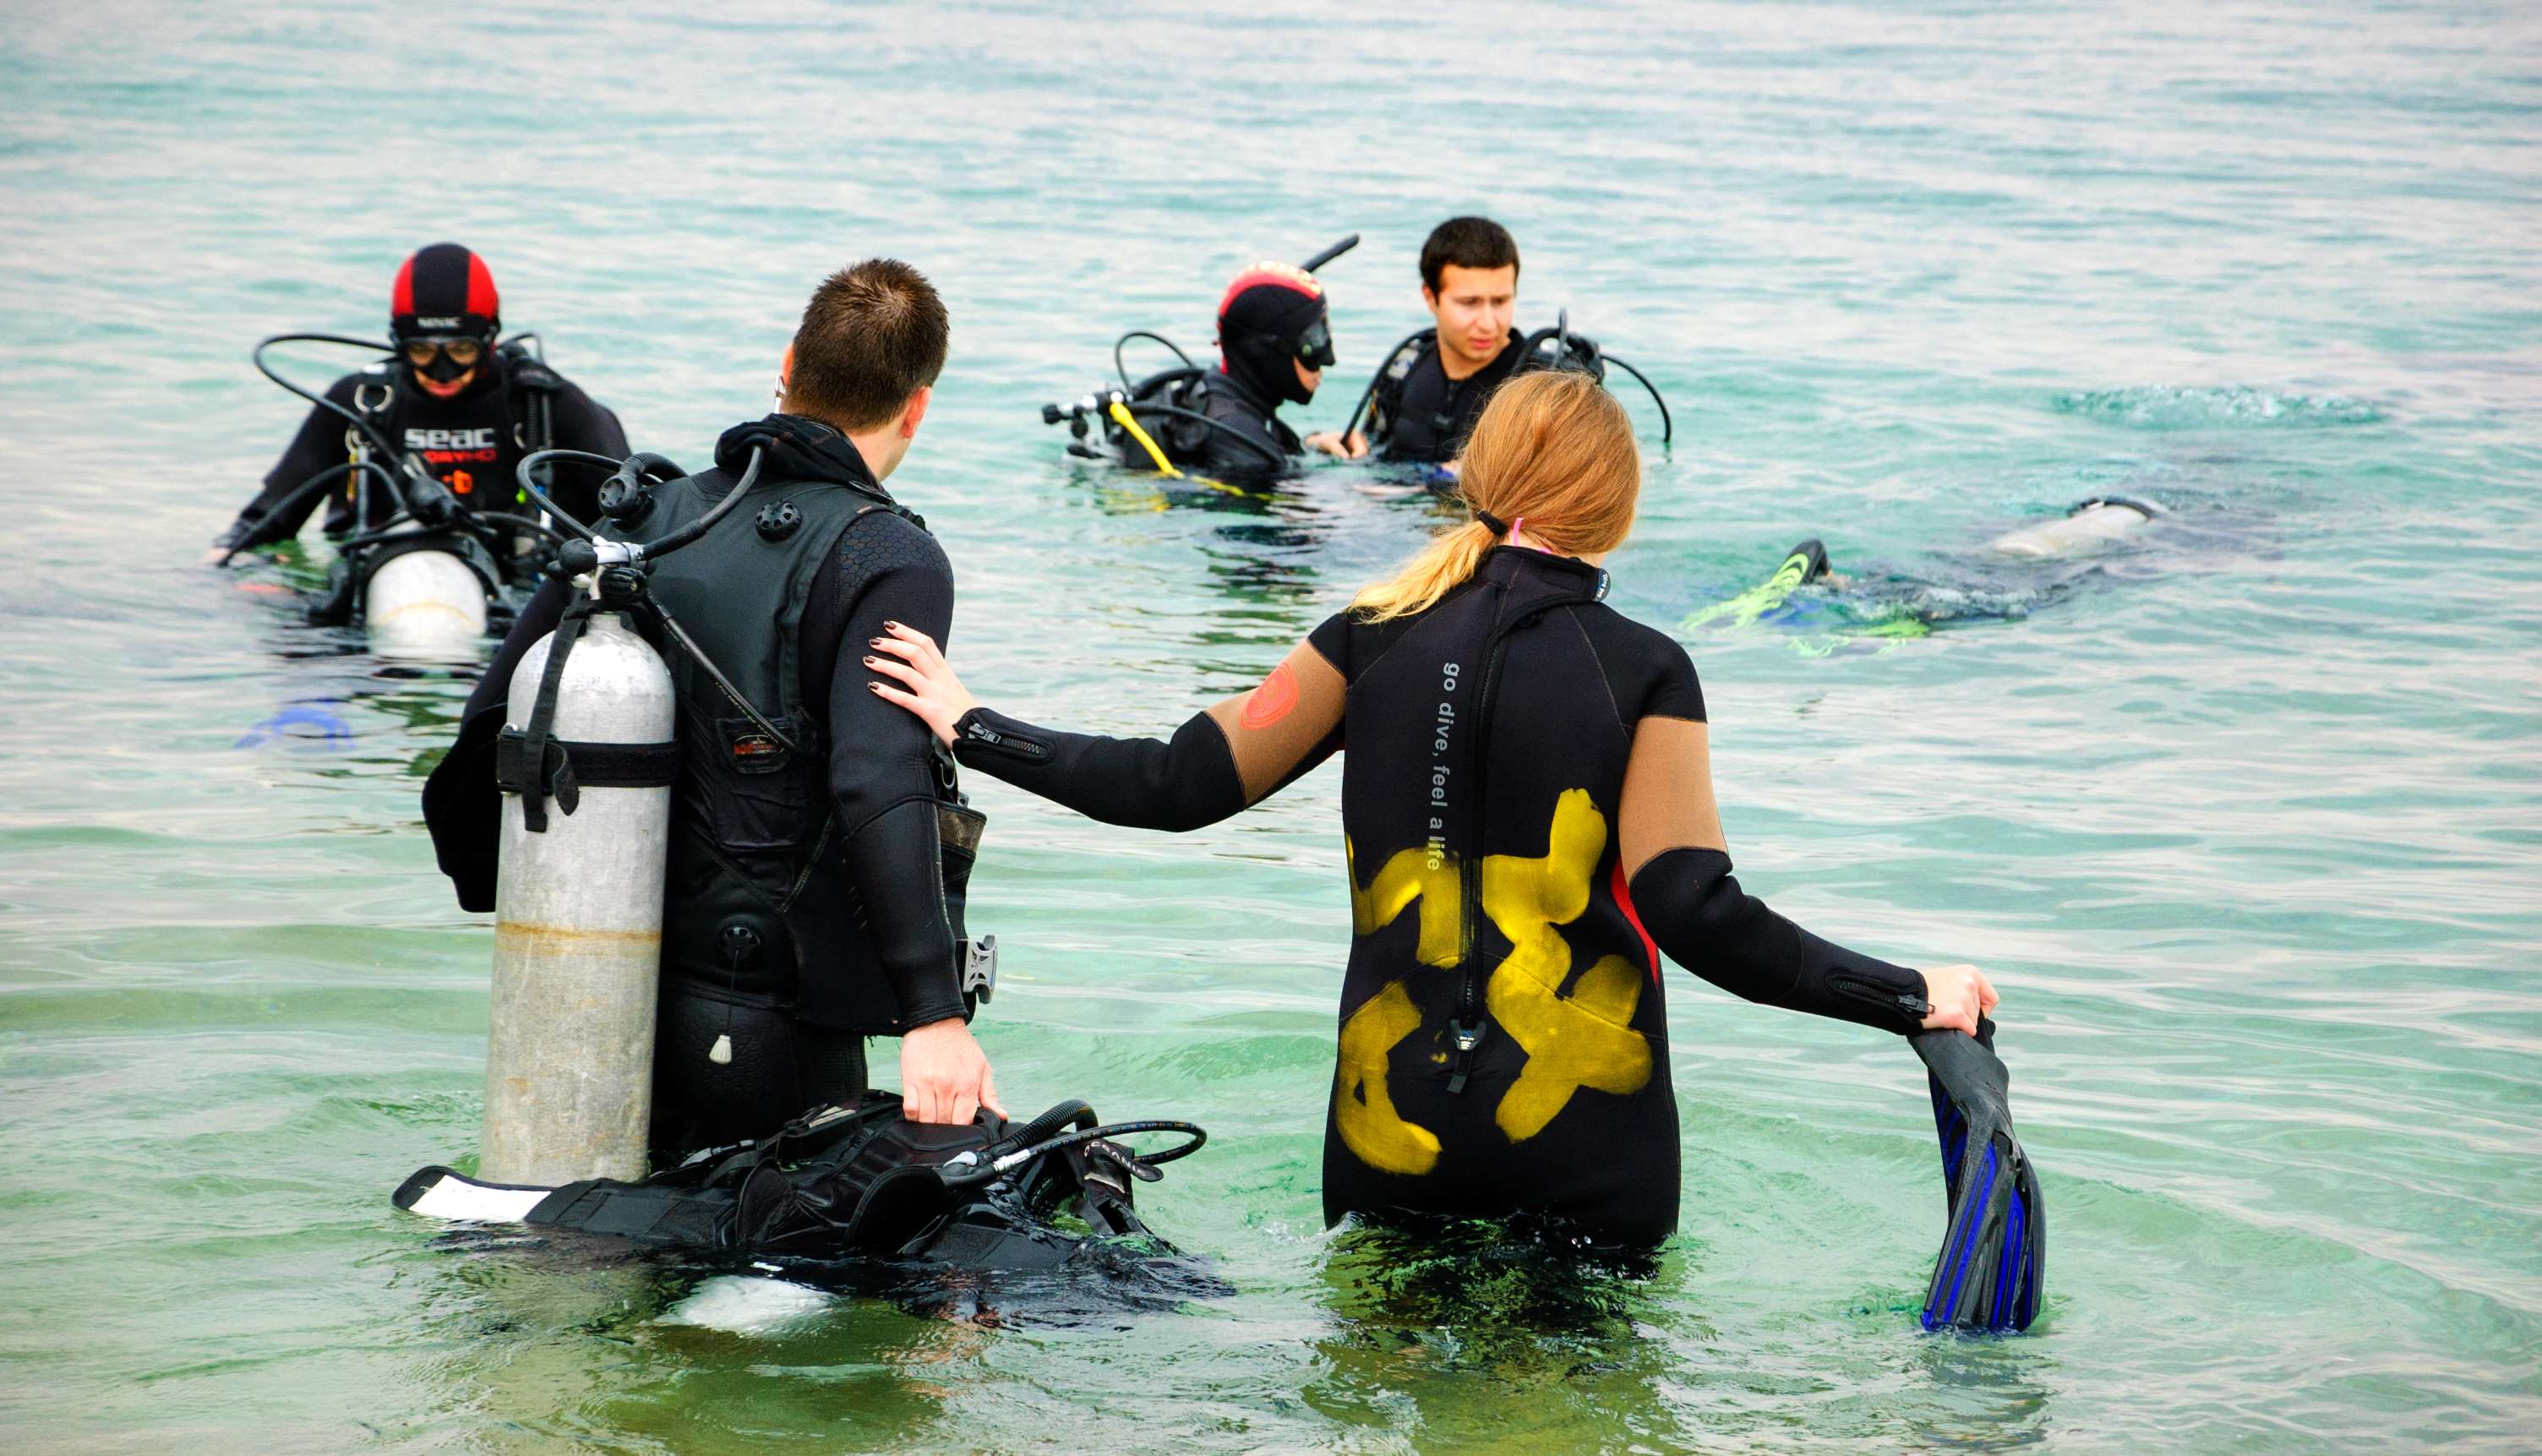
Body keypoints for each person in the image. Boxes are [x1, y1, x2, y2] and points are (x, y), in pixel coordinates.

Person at [865, 370, 2000, 1251]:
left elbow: (1172, 784)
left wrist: (973, 723)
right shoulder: (1646, 670)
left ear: (1478, 476)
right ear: (1617, 504)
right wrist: (1907, 995)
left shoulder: (1368, 634)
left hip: (1386, 1129)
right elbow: (1693, 908)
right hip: (1583, 1140)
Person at [421, 259, 1001, 1153]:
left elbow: (485, 730)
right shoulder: (886, 554)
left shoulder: (639, 522)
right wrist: (934, 1012)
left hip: (586, 1001)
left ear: (787, 367)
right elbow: (876, 777)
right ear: (916, 407)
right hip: (764, 1032)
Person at [207, 242, 629, 564]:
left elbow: (636, 516)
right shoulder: (361, 402)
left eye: (461, 350)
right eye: (422, 351)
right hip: (378, 576)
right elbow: (263, 523)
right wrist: (229, 568)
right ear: (398, 342)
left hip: (513, 582)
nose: (442, 372)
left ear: (490, 337)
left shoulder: (544, 402)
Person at [1309, 216, 1526, 468]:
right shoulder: (1406, 365)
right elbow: (1372, 453)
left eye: (1500, 302)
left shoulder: (1540, 382)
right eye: (1469, 303)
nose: (1488, 323)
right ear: (1430, 297)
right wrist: (1318, 444)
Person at [1121, 261, 1334, 478]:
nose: (1329, 360)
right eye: (1314, 341)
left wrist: (1313, 445)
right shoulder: (1239, 443)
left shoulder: (1215, 399)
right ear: (1266, 351)